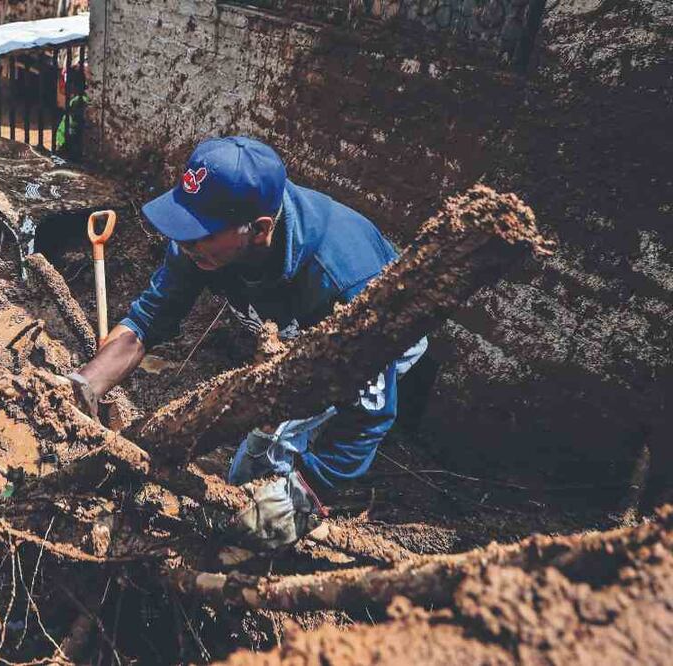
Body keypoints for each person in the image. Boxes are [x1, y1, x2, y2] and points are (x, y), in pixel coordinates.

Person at [66, 136, 427, 551]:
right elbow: (148, 320)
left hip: (384, 331)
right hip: (296, 321)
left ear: (259, 231)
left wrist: (306, 496)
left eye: (200, 233)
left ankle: (242, 543)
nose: (184, 244)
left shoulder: (346, 284)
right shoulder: (199, 243)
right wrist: (80, 385)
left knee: (265, 447)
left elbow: (369, 414)